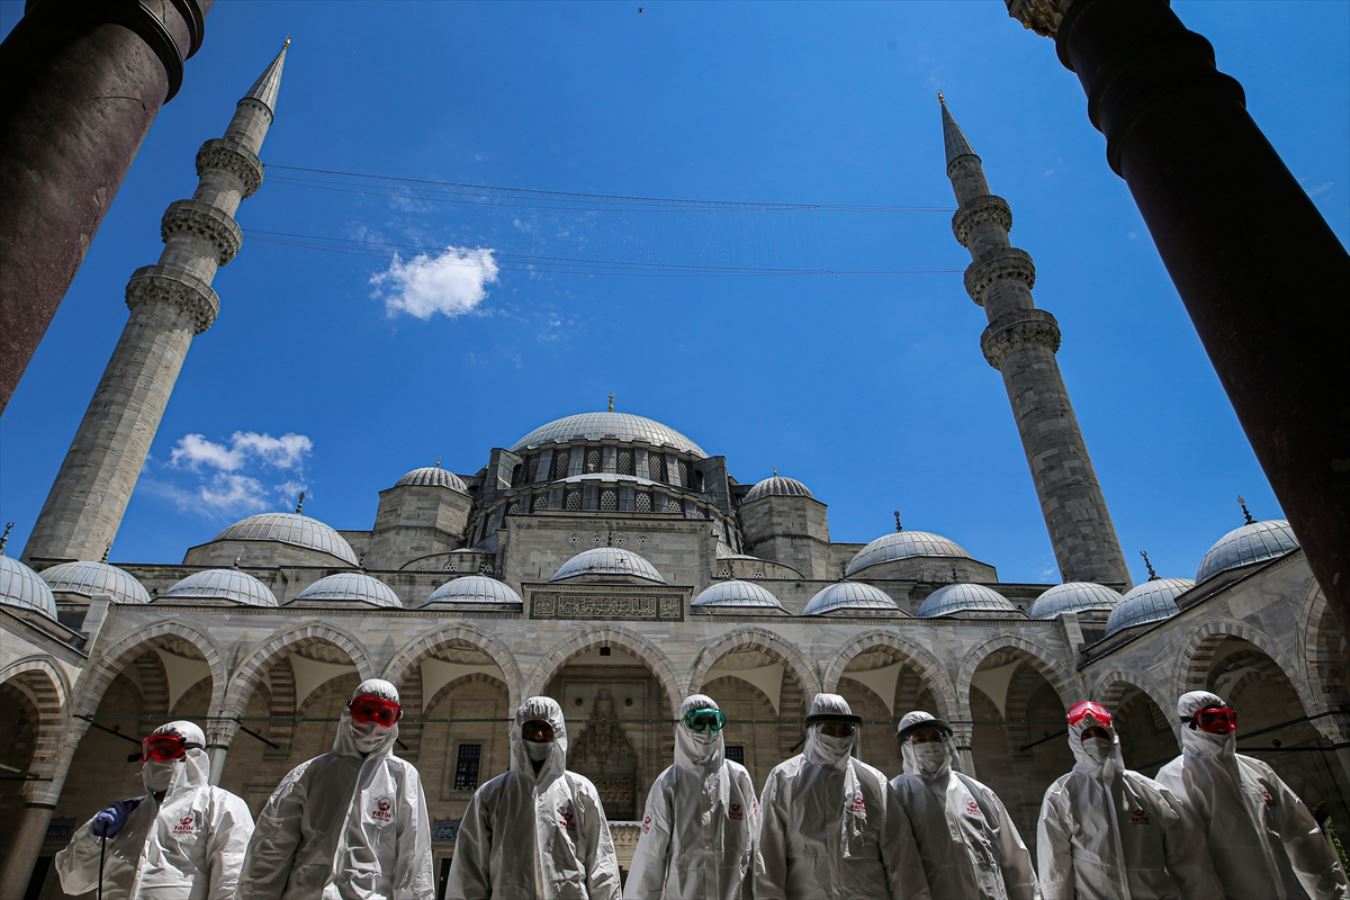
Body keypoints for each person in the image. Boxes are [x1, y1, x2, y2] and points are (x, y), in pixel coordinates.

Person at [237, 678, 435, 899]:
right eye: (366, 711)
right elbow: (270, 851)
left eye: (385, 716)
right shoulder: (308, 774)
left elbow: (414, 859)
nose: (373, 724)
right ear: (350, 712)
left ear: (395, 720)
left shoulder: (402, 777)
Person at [1155, 690, 1349, 900]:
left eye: (1226, 719)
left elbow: (1302, 835)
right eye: (1211, 720)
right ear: (1190, 724)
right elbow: (1191, 864)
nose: (1221, 727)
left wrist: (1334, 895)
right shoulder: (1177, 778)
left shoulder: (1257, 770)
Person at [1036, 699, 1222, 899]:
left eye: (1100, 733)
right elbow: (1056, 872)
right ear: (1075, 740)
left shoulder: (1149, 791)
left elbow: (1188, 859)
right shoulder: (1062, 796)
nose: (1095, 741)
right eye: (1086, 735)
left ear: (1112, 735)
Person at [754, 693, 930, 900]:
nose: (837, 737)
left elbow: (901, 855)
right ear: (814, 730)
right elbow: (768, 857)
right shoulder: (785, 778)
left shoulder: (873, 782)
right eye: (830, 729)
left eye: (844, 730)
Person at [445, 695, 621, 899]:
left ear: (557, 732)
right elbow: (469, 872)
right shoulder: (491, 795)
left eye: (545, 728)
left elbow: (601, 865)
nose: (538, 735)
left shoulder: (579, 791)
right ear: (519, 732)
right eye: (531, 728)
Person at [55, 719, 254, 899]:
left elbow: (232, 878)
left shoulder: (218, 804)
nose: (154, 760)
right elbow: (72, 882)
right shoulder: (127, 814)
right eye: (148, 752)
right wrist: (96, 837)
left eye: (165, 751)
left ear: (193, 756)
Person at [890, 710, 1039, 900]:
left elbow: (1015, 861)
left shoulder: (978, 793)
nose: (930, 745)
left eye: (935, 737)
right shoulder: (895, 795)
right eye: (920, 739)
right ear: (906, 747)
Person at [624, 694, 759, 899]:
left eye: (712, 723)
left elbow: (758, 844)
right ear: (685, 727)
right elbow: (650, 858)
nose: (707, 731)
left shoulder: (738, 778)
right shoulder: (668, 784)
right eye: (699, 723)